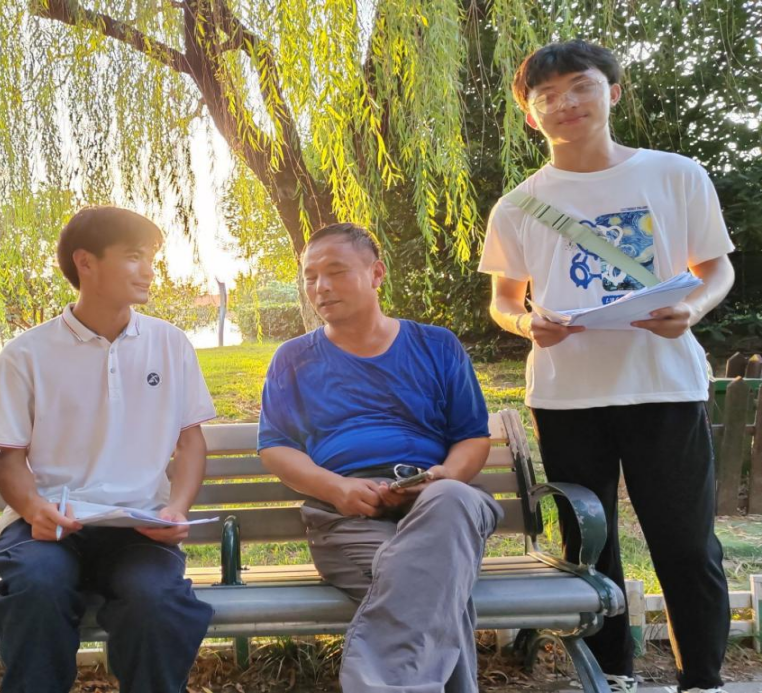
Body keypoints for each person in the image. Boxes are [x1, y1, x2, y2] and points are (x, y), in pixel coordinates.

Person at [479, 39, 736, 693]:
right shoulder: (517, 204)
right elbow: (504, 301)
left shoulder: (675, 175)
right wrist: (526, 323)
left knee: (685, 542)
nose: (565, 102)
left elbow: (716, 269)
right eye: (546, 96)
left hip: (663, 385)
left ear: (612, 92)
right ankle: (612, 675)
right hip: (566, 396)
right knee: (587, 545)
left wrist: (691, 308)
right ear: (530, 114)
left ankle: (702, 679)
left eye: (580, 86)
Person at [0, 206, 216, 693]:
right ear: (85, 262)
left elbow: (191, 442)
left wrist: (176, 508)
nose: (149, 270)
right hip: (48, 525)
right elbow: (9, 461)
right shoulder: (25, 354)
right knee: (36, 587)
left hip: (139, 526)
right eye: (133, 256)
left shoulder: (170, 344)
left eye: (151, 258)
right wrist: (34, 508)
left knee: (155, 600)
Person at [258, 222, 502, 693]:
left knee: (449, 504)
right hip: (347, 515)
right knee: (431, 584)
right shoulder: (293, 359)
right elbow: (276, 445)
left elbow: (472, 438)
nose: (320, 287)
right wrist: (337, 488)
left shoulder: (437, 346)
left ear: (376, 274)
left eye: (335, 272)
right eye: (310, 277)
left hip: (441, 504)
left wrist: (443, 476)